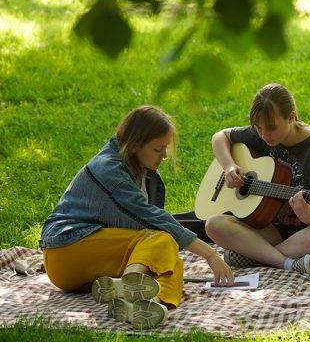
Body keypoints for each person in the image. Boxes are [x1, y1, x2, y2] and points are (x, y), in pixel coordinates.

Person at [40, 106, 234, 330]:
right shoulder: (110, 171)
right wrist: (210, 254)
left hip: (84, 265)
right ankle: (129, 285)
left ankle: (151, 303)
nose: (164, 155)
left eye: (165, 148)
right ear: (134, 145)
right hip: (66, 250)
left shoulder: (135, 165)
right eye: (158, 149)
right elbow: (154, 219)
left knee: (168, 261)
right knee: (162, 238)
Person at [204, 83, 310, 276]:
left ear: (291, 117)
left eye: (271, 128)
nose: (264, 135)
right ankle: (287, 263)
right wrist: (229, 166)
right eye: (258, 128)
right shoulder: (264, 132)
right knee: (214, 225)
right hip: (274, 230)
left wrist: (309, 217)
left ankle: (255, 256)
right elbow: (220, 137)